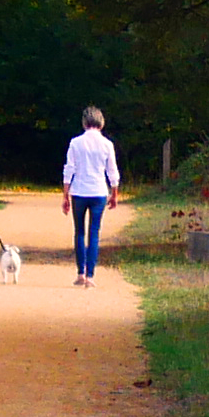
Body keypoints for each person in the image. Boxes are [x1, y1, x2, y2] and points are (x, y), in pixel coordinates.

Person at [60, 104, 121, 283]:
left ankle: (80, 273)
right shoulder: (107, 144)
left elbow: (69, 169)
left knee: (79, 231)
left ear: (84, 123)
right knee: (94, 232)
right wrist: (115, 193)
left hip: (79, 191)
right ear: (101, 123)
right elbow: (112, 170)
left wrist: (65, 194)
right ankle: (90, 275)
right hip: (98, 191)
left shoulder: (75, 142)